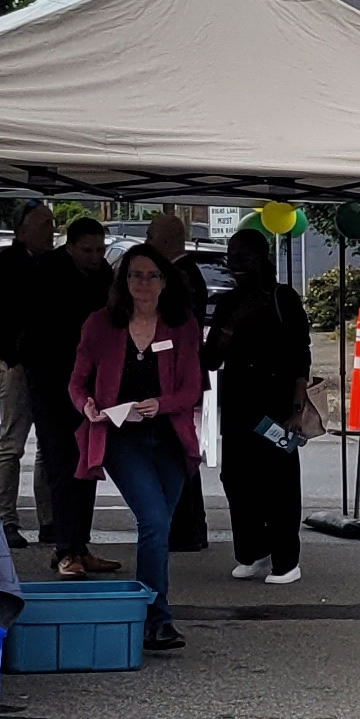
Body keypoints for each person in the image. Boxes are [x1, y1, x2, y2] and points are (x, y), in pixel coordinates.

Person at [67, 242, 205, 653]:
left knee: (159, 526)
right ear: (122, 281)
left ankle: (151, 614)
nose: (143, 283)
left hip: (169, 437)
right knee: (154, 521)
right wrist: (87, 404)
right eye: (135, 275)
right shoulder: (100, 324)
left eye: (151, 275)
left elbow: (192, 388)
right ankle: (156, 618)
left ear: (165, 282)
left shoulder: (182, 326)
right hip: (121, 436)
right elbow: (77, 382)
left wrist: (161, 404)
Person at [209, 225, 312, 586]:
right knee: (236, 477)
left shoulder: (284, 298)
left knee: (279, 481)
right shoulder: (228, 303)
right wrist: (228, 330)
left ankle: (287, 559)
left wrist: (298, 408)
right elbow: (209, 359)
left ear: (261, 258)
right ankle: (252, 550)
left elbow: (301, 354)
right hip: (238, 403)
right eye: (231, 258)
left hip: (278, 402)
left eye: (243, 258)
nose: (236, 265)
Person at [0, 202, 58, 540]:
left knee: (49, 445)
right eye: (44, 223)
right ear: (23, 229)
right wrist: (12, 356)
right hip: (17, 366)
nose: (51, 230)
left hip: (50, 367)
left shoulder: (54, 266)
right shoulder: (0, 267)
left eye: (52, 223)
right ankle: (5, 519)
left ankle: (50, 520)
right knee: (12, 443)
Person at [29, 215, 113, 575]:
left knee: (87, 465)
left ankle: (80, 544)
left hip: (91, 385)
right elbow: (29, 324)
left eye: (99, 249)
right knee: (62, 465)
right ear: (70, 245)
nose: (95, 257)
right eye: (87, 250)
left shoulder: (104, 275)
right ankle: (65, 549)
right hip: (51, 381)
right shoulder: (46, 271)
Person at [140, 209, 214, 555]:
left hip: (175, 379)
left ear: (166, 241)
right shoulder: (185, 274)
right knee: (174, 450)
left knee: (175, 450)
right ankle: (186, 526)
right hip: (177, 376)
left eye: (151, 237)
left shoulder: (180, 277)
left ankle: (185, 527)